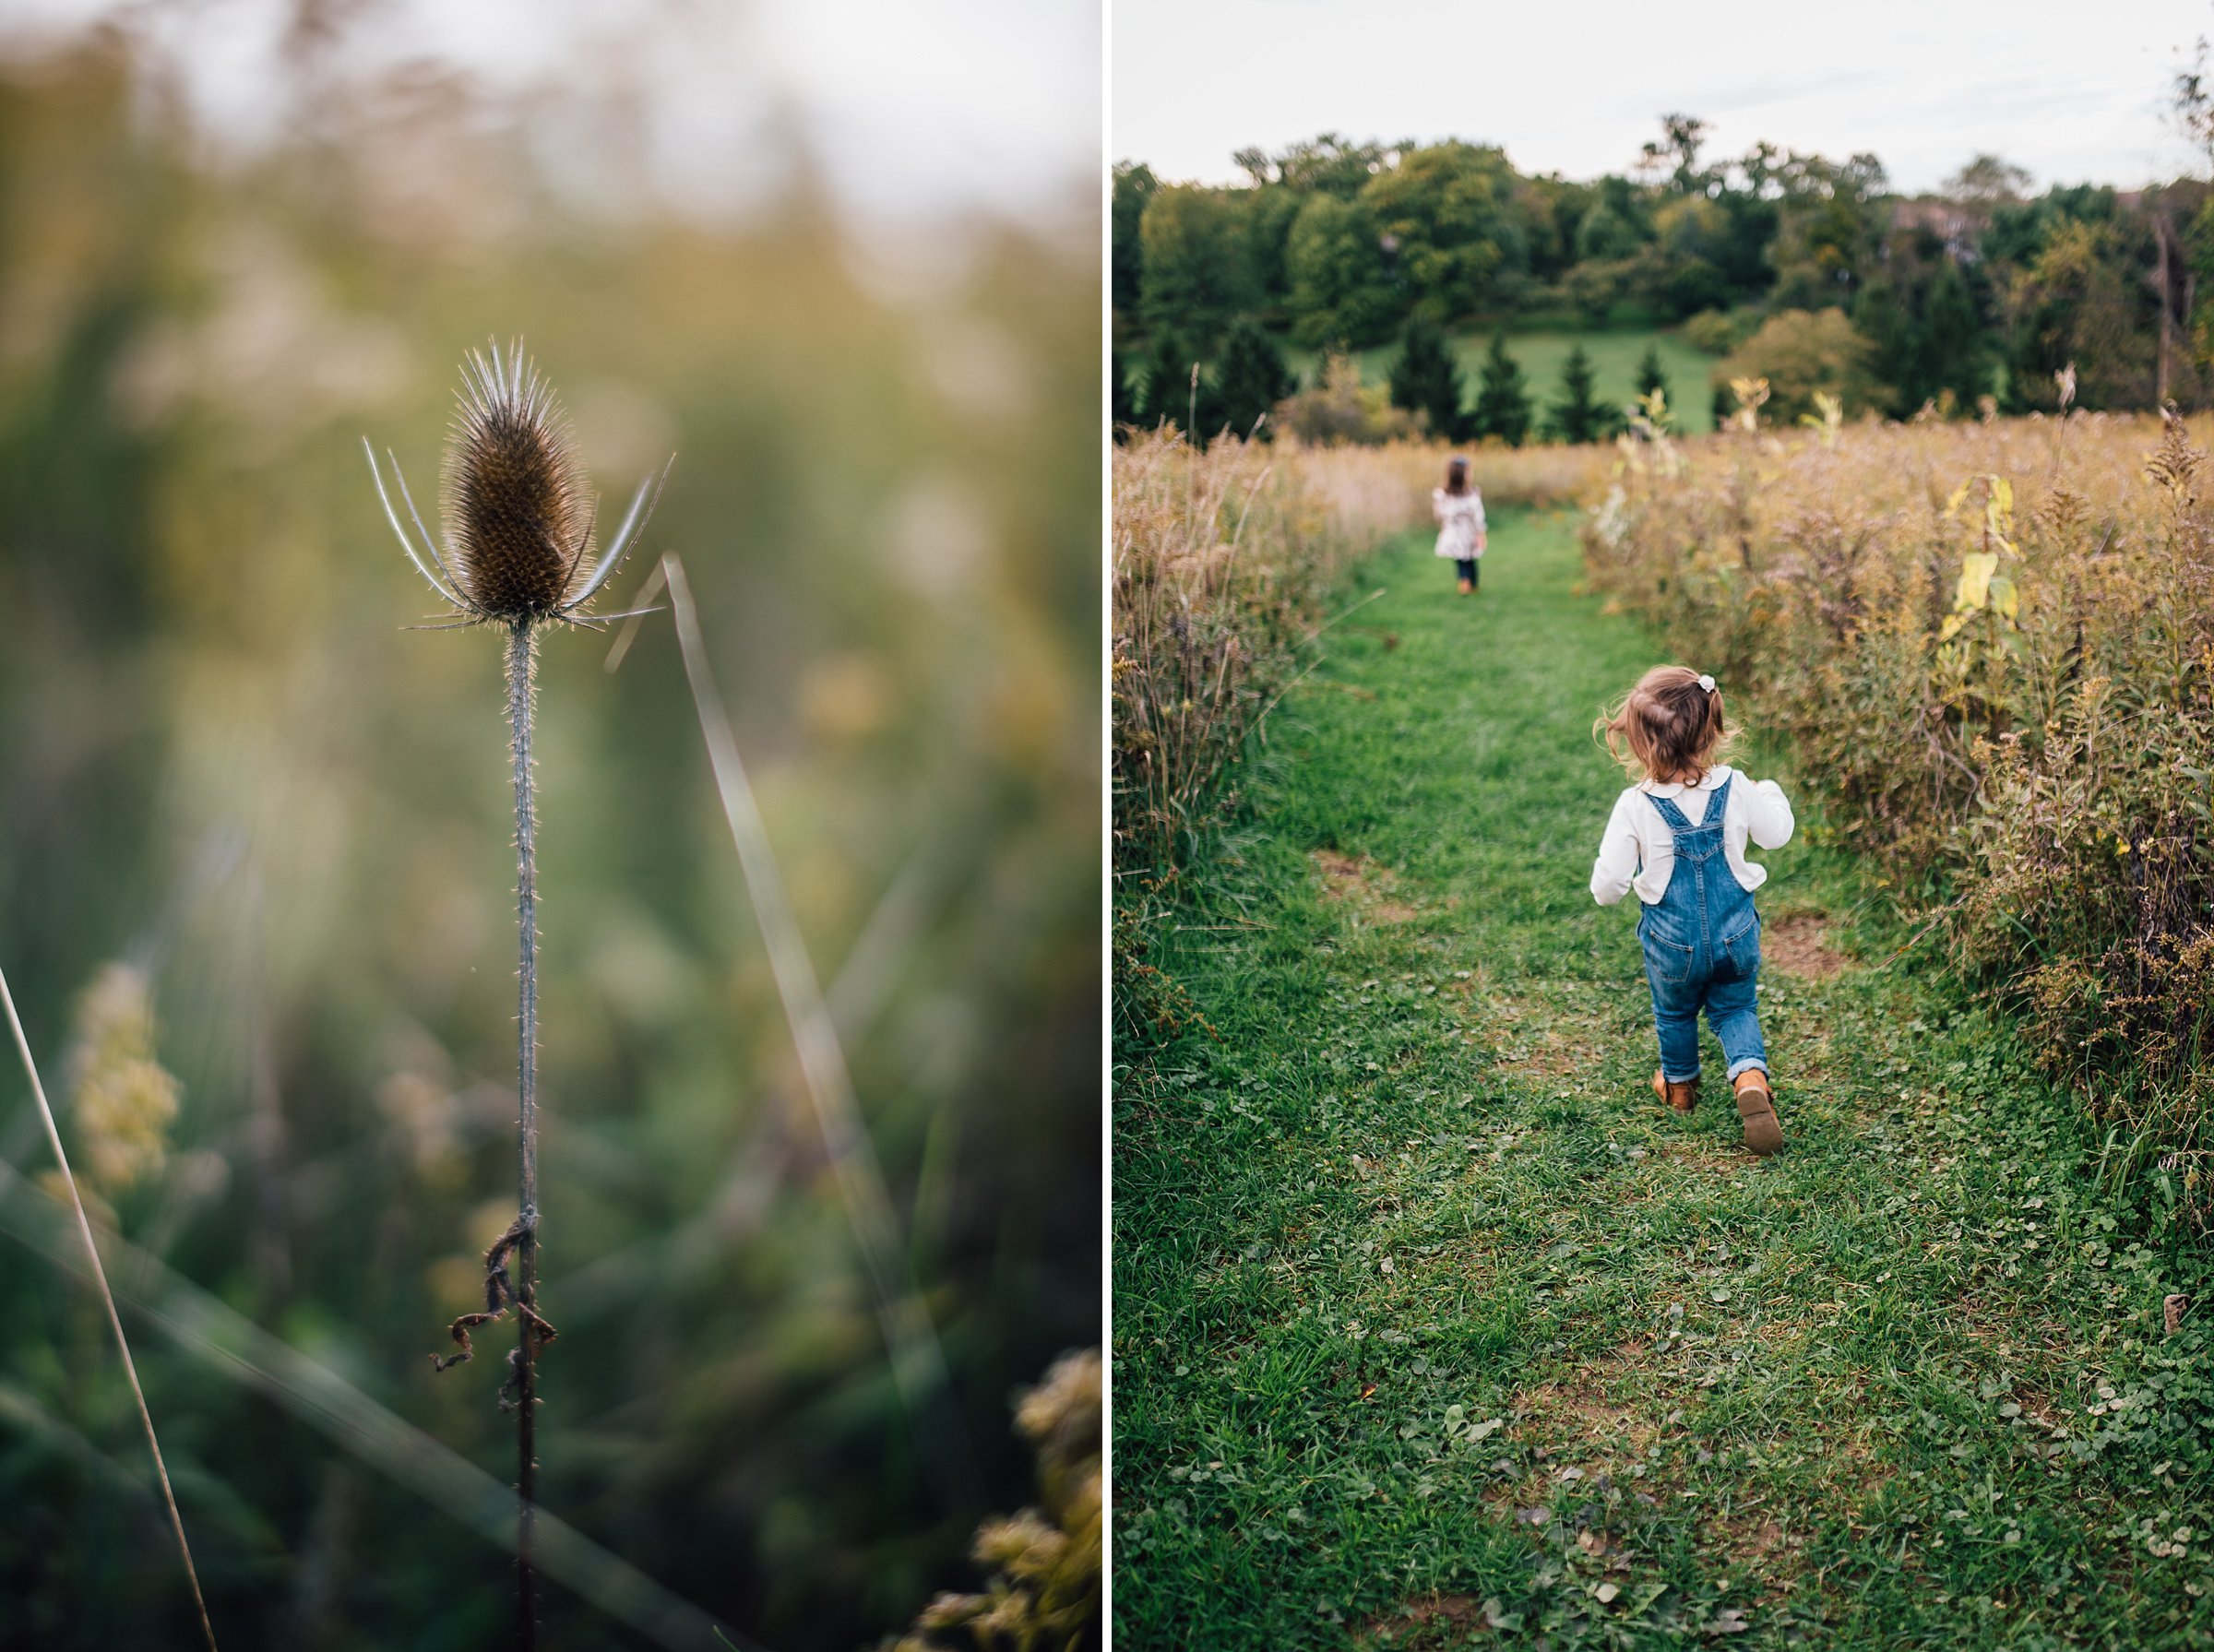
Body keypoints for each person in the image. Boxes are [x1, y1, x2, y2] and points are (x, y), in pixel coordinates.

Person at [1589, 668, 1794, 1155]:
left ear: (1641, 744)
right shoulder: (1739, 786)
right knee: (1736, 1007)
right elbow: (1776, 835)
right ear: (1712, 729)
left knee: (1675, 1011)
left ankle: (1680, 1089)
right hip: (1734, 933)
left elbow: (1609, 885)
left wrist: (1607, 892)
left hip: (1672, 944)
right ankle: (1749, 1077)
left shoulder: (1634, 805)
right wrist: (1770, 791)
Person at [1432, 456, 1485, 595]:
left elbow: (1439, 514)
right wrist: (1480, 533)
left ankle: (1467, 583)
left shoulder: (1442, 495)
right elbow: (1478, 516)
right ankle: (1467, 583)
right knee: (1468, 560)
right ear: (1460, 474)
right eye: (1468, 472)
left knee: (1462, 560)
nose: (1471, 475)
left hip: (1453, 533)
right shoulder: (1471, 495)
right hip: (1466, 533)